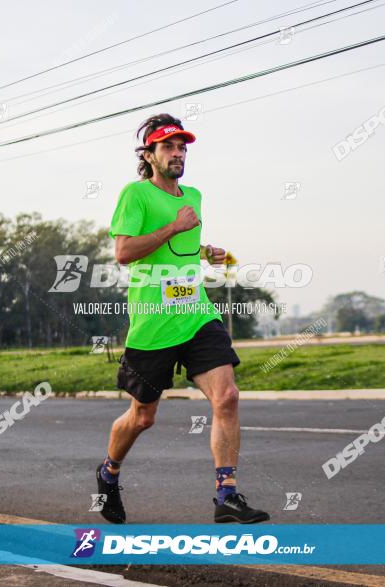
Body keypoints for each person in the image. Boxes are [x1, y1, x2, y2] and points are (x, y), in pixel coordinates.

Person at [95, 114, 269, 524]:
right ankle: (108, 472)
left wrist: (206, 251)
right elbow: (123, 252)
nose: (178, 154)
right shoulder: (135, 195)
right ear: (150, 155)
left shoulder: (194, 195)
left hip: (195, 313)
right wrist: (175, 227)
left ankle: (226, 494)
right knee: (143, 416)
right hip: (154, 322)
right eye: (169, 147)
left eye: (182, 147)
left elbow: (183, 245)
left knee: (227, 396)